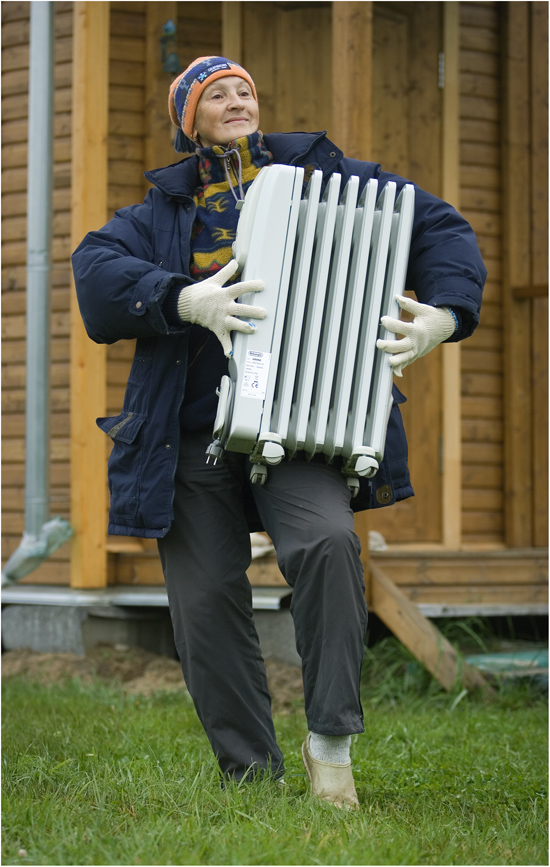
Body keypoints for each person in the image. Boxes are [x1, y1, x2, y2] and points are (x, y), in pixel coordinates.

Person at [72, 56, 486, 809]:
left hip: (304, 426)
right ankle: (251, 773)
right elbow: (94, 273)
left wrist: (445, 314)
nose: (235, 98)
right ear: (187, 121)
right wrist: (180, 298)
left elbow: (439, 228)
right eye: (213, 93)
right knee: (204, 602)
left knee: (328, 544)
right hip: (188, 433)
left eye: (245, 89)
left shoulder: (336, 180)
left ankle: (330, 744)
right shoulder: (162, 211)